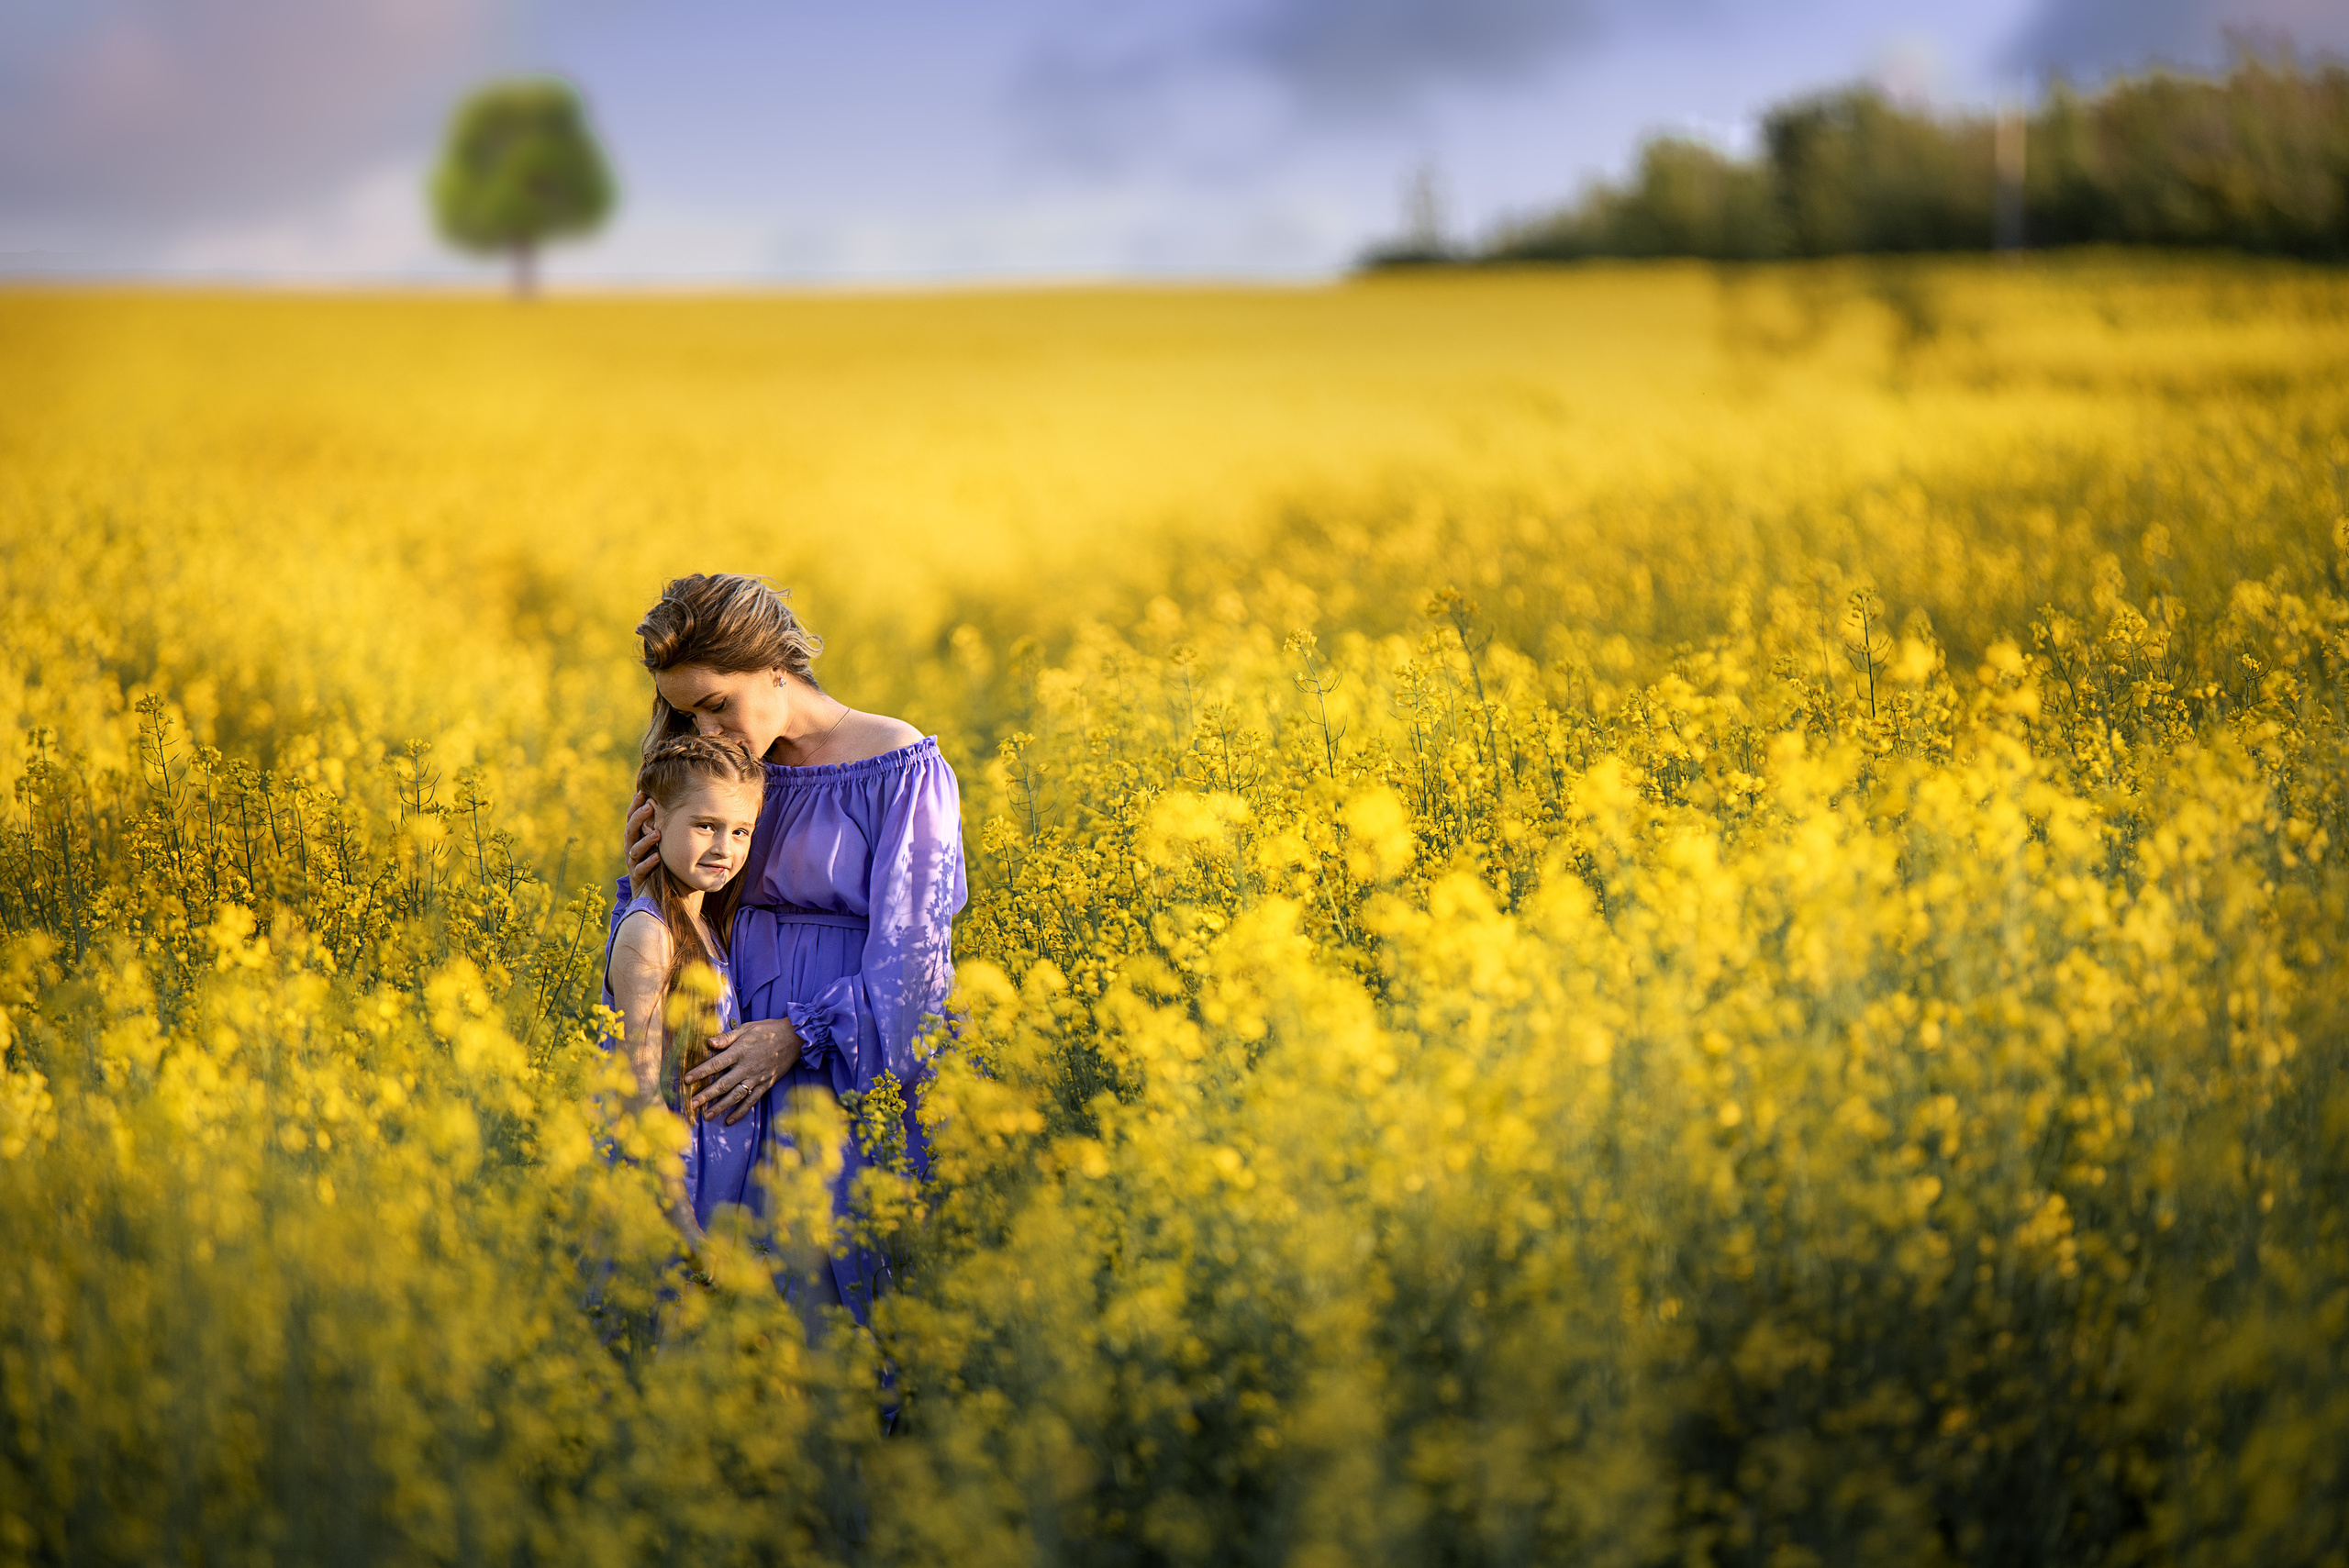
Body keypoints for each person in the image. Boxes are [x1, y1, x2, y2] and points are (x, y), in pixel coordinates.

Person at [618, 573, 966, 1324]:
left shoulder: (897, 762)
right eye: (687, 715)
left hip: (843, 1066)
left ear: (776, 664)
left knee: (834, 1305)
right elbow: (661, 947)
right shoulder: (716, 778)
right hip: (727, 1073)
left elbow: (913, 967)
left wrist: (796, 1035)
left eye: (717, 705)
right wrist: (656, 880)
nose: (706, 732)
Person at [599, 733, 766, 1237]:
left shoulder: (704, 924)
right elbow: (640, 1091)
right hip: (671, 1193)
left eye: (741, 832)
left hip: (713, 1183)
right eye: (705, 826)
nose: (724, 848)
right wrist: (685, 1231)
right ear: (652, 822)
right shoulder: (649, 935)